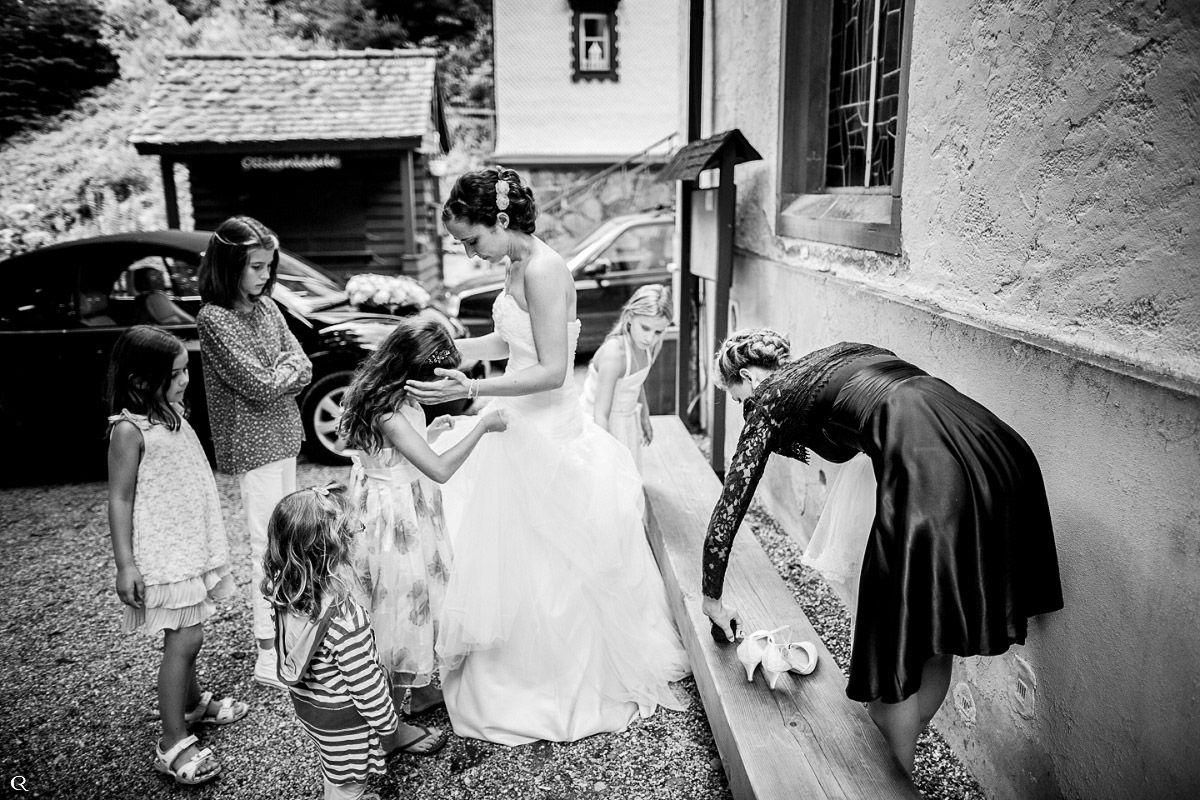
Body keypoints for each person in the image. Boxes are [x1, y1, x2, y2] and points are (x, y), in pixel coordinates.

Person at [405, 166, 689, 745]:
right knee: (502, 551)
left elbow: (554, 370)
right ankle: (498, 670)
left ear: (500, 221)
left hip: (546, 428)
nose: (469, 252)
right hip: (514, 421)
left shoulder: (544, 269)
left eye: (471, 239)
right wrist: (437, 351)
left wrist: (473, 391)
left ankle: (546, 682)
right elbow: (508, 345)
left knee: (548, 562)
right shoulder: (514, 263)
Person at [699, 329, 1063, 775]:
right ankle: (900, 756)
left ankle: (890, 772)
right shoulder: (839, 354)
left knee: (892, 639)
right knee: (930, 623)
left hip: (931, 465)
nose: (745, 411)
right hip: (992, 444)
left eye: (738, 399)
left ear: (749, 377)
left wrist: (711, 597)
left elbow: (731, 503)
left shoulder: (771, 397)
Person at [337, 318, 508, 752]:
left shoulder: (378, 392)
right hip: (399, 520)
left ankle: (407, 693)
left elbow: (392, 455)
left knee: (402, 601)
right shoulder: (390, 411)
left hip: (390, 503)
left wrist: (429, 432)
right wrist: (482, 428)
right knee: (397, 608)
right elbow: (439, 469)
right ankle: (390, 729)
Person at [106, 325, 244, 786]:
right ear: (141, 381)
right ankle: (171, 741)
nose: (185, 380)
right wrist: (126, 563)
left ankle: (192, 703)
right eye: (175, 374)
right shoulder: (129, 431)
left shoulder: (169, 411)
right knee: (185, 639)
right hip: (164, 554)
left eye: (186, 370)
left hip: (189, 545)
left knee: (187, 633)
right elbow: (121, 498)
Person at [197, 215, 312, 689]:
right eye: (255, 267)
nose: (265, 275)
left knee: (289, 542)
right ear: (229, 267)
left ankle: (289, 635)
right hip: (252, 445)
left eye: (268, 265)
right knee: (265, 547)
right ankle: (268, 653)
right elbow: (259, 384)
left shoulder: (266, 308)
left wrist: (282, 371)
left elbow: (303, 364)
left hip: (284, 436)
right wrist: (282, 371)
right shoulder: (214, 318)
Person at [263, 485, 423, 800]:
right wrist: (389, 727)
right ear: (337, 549)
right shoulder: (346, 621)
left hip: (314, 710)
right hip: (347, 726)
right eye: (353, 532)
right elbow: (367, 689)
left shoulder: (285, 593)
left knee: (334, 771)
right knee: (350, 784)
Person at [579, 283, 672, 470]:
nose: (650, 338)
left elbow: (636, 382)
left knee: (630, 474)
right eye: (645, 328)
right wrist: (604, 453)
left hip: (627, 419)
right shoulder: (615, 354)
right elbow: (600, 413)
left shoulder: (650, 346)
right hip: (601, 424)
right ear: (630, 317)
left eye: (658, 332)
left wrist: (645, 416)